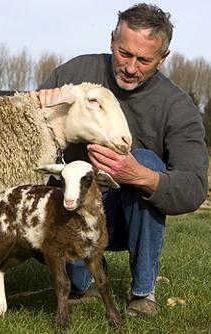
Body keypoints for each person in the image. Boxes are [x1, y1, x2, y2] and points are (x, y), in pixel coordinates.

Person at [30, 3, 209, 317]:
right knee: (75, 285)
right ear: (112, 40)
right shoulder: (76, 73)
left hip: (128, 217)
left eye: (144, 60)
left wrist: (140, 176)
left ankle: (142, 293)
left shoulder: (177, 107)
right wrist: (39, 106)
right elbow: (24, 134)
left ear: (163, 58)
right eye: (124, 53)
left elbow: (194, 187)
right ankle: (81, 279)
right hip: (69, 210)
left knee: (146, 162)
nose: (130, 67)